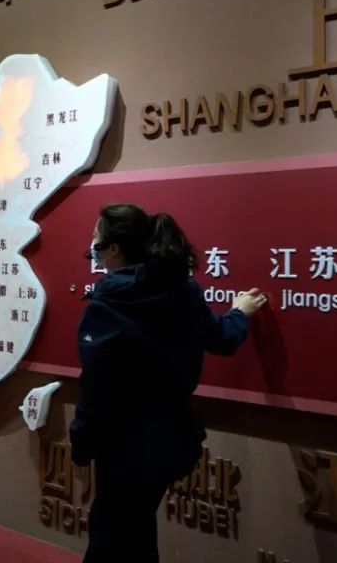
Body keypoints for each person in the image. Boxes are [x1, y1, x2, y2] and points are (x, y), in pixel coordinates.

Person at [70, 204, 268, 563]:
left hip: (122, 445)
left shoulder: (108, 305)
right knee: (136, 530)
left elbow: (98, 388)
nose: (91, 244)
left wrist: (81, 443)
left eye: (96, 237)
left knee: (110, 537)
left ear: (113, 249)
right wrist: (240, 313)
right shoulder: (182, 291)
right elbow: (221, 338)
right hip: (170, 440)